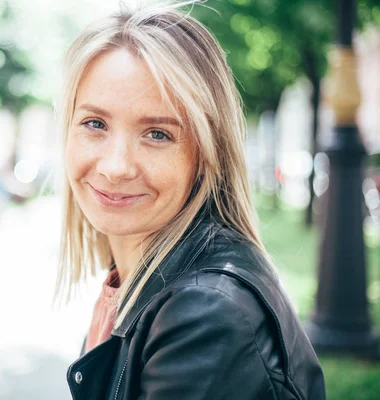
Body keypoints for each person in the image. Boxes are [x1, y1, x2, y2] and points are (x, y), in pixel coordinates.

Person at [53, 2, 326, 400]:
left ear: (206, 156)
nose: (115, 167)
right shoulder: (132, 285)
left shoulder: (206, 315)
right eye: (95, 124)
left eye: (157, 134)